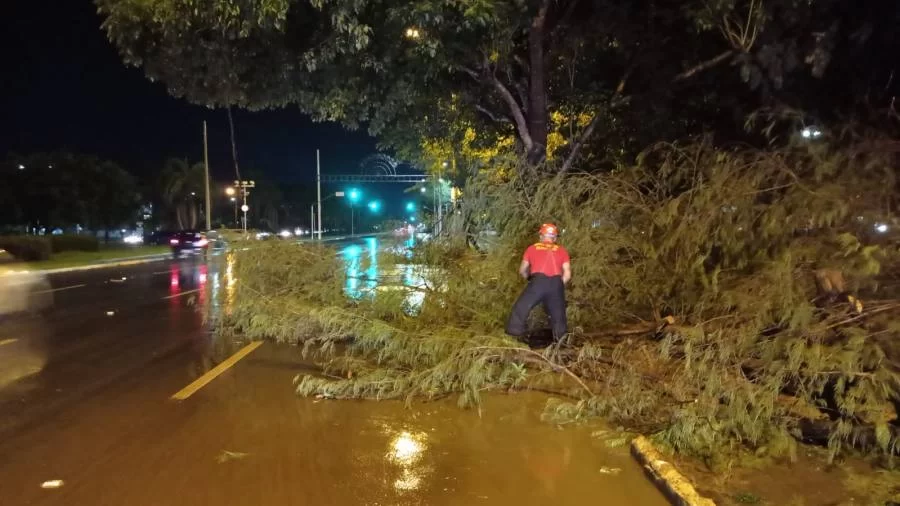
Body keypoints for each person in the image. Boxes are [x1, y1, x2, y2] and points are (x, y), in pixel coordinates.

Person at [505, 223, 571, 341]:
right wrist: (558, 285)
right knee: (559, 315)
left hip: (538, 282)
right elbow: (567, 274)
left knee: (521, 307)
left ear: (541, 236)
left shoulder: (532, 248)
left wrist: (530, 279)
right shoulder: (562, 251)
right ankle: (561, 343)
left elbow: (522, 270)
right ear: (554, 238)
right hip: (556, 283)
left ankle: (513, 335)